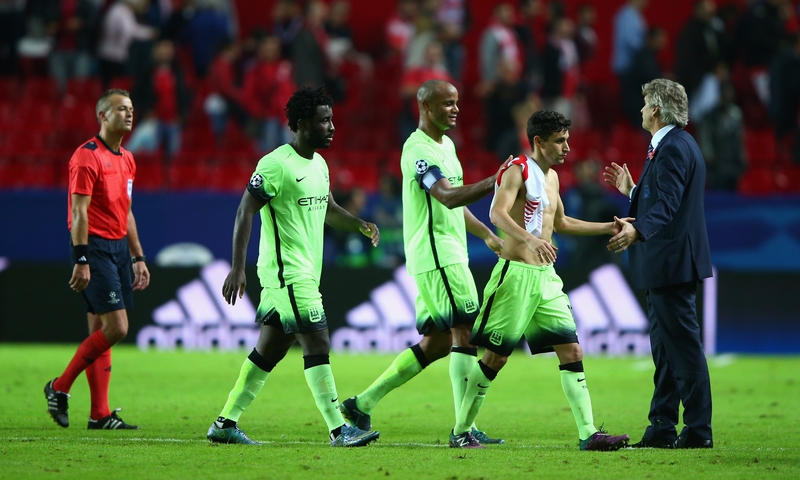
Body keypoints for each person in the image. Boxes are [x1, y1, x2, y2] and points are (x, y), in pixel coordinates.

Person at [206, 86, 381, 447]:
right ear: (302, 124)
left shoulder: (319, 164)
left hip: (304, 273)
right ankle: (338, 428)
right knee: (317, 338)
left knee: (270, 349)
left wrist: (359, 224)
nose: (332, 127)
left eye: (332, 119)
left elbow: (329, 209)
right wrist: (238, 266)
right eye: (324, 121)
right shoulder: (276, 164)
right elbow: (244, 210)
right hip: (287, 274)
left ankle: (225, 423)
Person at [450, 110, 630, 450]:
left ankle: (588, 433)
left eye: (567, 140)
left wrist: (609, 226)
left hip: (546, 279)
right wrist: (531, 240)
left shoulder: (552, 178)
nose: (567, 148)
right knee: (495, 358)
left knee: (572, 349)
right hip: (515, 275)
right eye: (559, 141)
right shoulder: (516, 169)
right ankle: (461, 430)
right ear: (538, 141)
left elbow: (560, 222)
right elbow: (496, 213)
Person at [340, 79, 505, 444]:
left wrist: (488, 236)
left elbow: (455, 204)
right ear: (426, 107)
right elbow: (446, 196)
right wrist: (496, 180)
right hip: (436, 254)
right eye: (447, 103)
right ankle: (465, 429)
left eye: (457, 102)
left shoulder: (446, 146)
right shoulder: (418, 150)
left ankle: (362, 403)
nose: (456, 109)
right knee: (465, 330)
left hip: (449, 251)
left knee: (439, 342)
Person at [604, 78, 714, 449]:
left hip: (671, 264)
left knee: (682, 350)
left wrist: (637, 232)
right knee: (666, 352)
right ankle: (662, 427)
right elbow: (667, 200)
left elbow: (667, 205)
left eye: (644, 103)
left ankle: (698, 431)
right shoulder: (674, 146)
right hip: (667, 264)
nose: (639, 110)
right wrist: (633, 192)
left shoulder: (672, 148)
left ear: (656, 109)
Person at [44, 89, 150, 431]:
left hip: (119, 247)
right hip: (95, 247)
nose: (129, 114)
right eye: (121, 109)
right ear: (102, 116)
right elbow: (78, 211)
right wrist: (82, 258)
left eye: (131, 108)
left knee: (99, 330)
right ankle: (59, 387)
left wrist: (138, 256)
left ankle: (99, 414)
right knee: (117, 328)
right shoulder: (87, 156)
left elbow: (127, 211)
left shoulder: (128, 159)